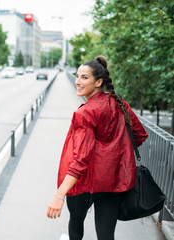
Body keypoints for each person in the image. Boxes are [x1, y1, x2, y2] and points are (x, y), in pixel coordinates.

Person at [47, 55, 148, 240]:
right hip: (111, 180)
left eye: (84, 77)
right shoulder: (120, 103)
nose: (77, 81)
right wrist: (114, 152)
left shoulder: (85, 113)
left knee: (76, 225)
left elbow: (80, 159)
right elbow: (140, 135)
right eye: (77, 76)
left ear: (98, 81)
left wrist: (59, 195)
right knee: (106, 234)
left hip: (83, 182)